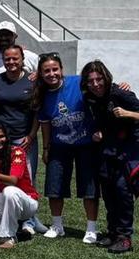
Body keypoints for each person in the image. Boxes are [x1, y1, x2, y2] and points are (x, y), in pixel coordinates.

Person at [33, 53, 99, 243]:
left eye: (55, 69)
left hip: (86, 144)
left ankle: (91, 229)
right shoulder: (41, 93)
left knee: (89, 187)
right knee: (54, 186)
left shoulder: (78, 83)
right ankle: (57, 225)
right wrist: (46, 148)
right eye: (46, 71)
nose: (51, 74)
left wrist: (122, 86)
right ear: (41, 73)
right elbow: (45, 124)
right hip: (59, 146)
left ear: (61, 69)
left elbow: (101, 89)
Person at [80, 60, 139, 253]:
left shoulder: (120, 93)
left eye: (99, 79)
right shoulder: (90, 98)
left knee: (123, 193)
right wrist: (97, 132)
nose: (95, 84)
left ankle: (125, 237)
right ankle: (113, 232)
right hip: (106, 152)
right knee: (109, 194)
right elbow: (98, 122)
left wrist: (128, 113)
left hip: (126, 152)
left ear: (106, 77)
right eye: (91, 81)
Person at [0, 44, 38, 177]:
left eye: (15, 58)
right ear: (3, 60)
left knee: (26, 179)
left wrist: (31, 136)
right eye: (7, 59)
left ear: (22, 59)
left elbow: (37, 112)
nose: (11, 62)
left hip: (24, 139)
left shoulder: (33, 81)